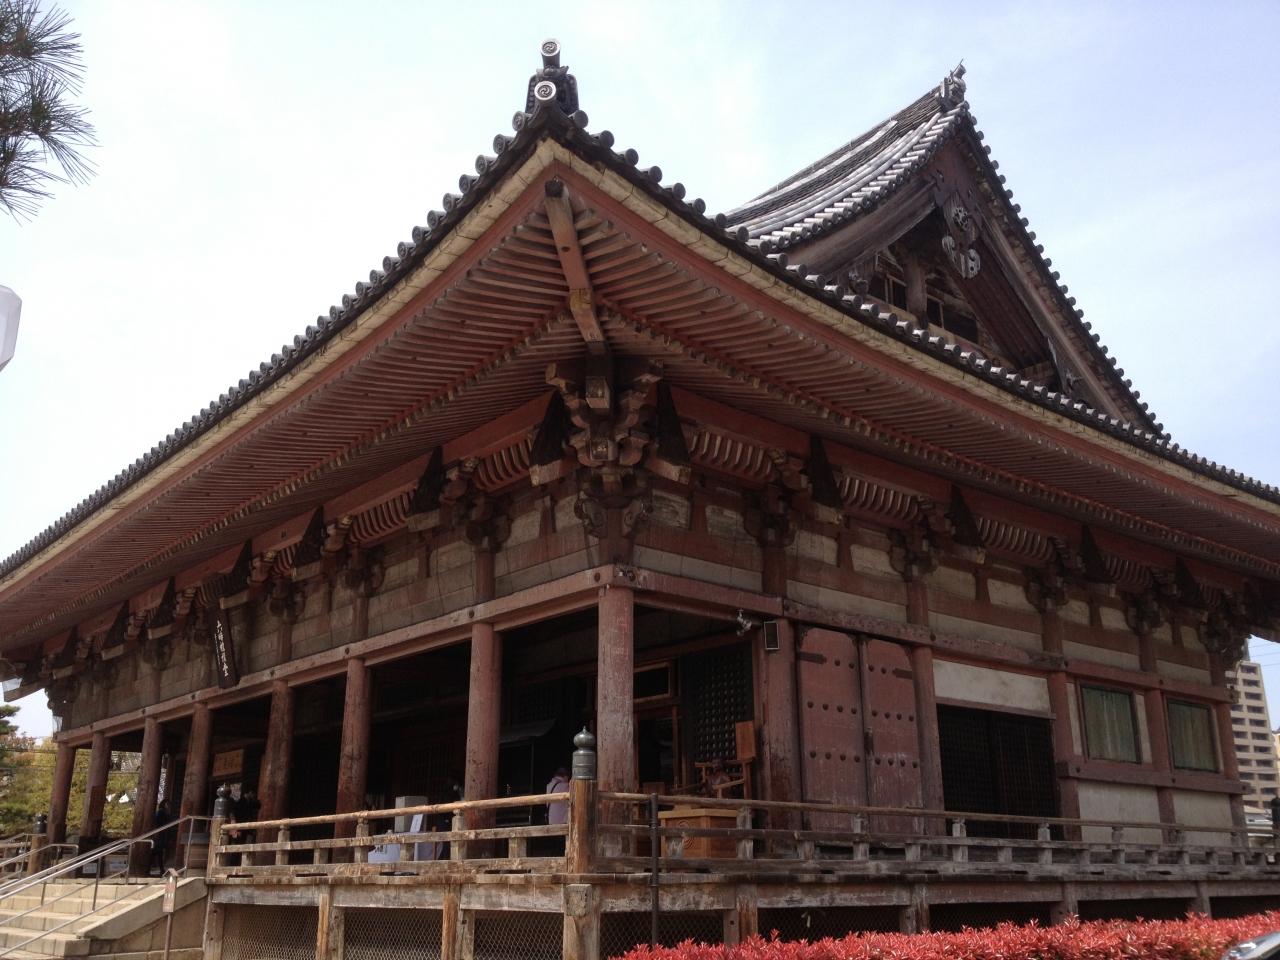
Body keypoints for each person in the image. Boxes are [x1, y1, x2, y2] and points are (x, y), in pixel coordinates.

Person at [150, 800, 175, 873]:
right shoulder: (160, 812)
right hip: (159, 835)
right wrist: (157, 831)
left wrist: (170, 837)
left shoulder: (167, 814)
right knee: (156, 852)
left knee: (158, 853)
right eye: (167, 804)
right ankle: (160, 869)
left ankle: (161, 869)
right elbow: (156, 821)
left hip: (163, 835)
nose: (168, 806)